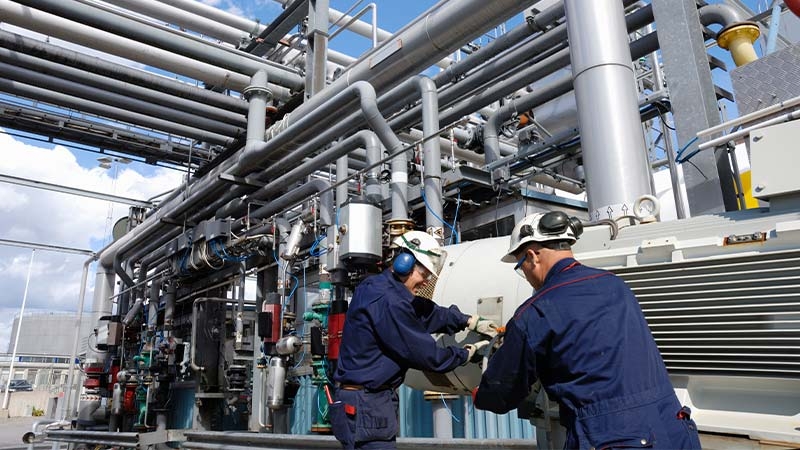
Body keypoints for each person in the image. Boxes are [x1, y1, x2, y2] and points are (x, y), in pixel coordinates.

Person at [473, 211, 702, 450]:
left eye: (521, 266)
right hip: (673, 429)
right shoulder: (617, 285)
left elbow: (503, 392)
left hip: (612, 438)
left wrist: (481, 395)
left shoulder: (535, 312)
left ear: (532, 256)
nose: (526, 275)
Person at [331, 230, 498, 449]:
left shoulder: (378, 288)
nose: (426, 282)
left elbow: (425, 312)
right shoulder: (389, 301)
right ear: (404, 263)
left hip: (362, 403)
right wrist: (465, 353)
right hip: (367, 404)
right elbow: (427, 356)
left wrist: (468, 320)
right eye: (424, 274)